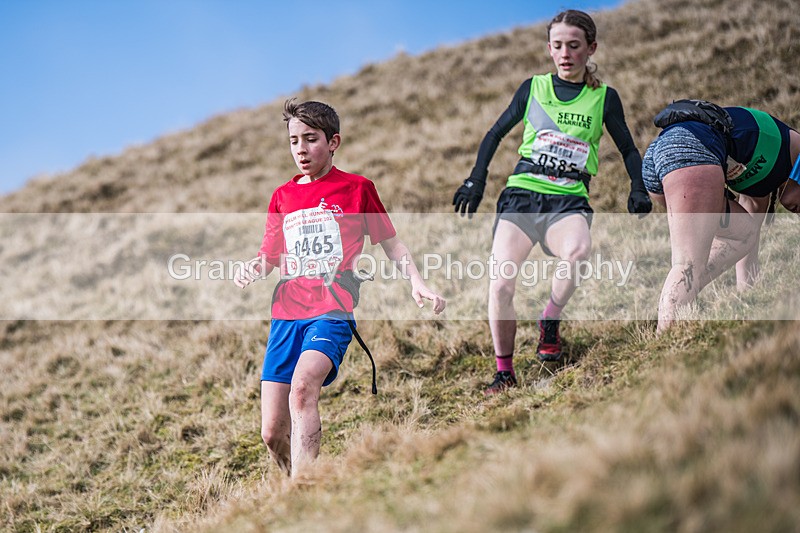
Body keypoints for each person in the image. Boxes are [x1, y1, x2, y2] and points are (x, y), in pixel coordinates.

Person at [235, 99, 446, 478]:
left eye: (310, 139)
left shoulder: (358, 189)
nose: (301, 149)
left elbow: (392, 244)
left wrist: (417, 282)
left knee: (302, 390)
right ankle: (289, 481)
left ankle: (306, 488)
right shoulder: (282, 196)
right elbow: (268, 254)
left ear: (333, 142)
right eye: (293, 140)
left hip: (332, 310)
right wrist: (252, 267)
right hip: (286, 314)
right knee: (270, 432)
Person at [453, 9, 651, 395]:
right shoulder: (534, 88)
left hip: (568, 200)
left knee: (578, 251)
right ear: (549, 48)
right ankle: (504, 372)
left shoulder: (604, 98)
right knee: (501, 286)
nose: (565, 53)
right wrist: (476, 179)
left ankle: (550, 319)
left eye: (574, 46)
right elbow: (494, 134)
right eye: (558, 45)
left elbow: (627, 148)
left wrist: (638, 187)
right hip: (522, 197)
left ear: (590, 48)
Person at [643, 101, 800, 331]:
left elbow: (751, 235)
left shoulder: (767, 181)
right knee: (687, 263)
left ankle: (679, 298)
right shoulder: (790, 147)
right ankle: (663, 341)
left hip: (663, 155)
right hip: (689, 150)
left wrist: (748, 296)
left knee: (742, 233)